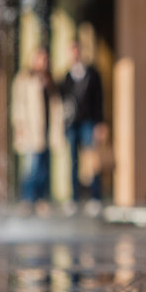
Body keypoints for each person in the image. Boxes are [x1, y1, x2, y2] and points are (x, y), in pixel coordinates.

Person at [60, 39, 104, 212]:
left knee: (92, 160)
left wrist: (100, 123)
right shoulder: (65, 77)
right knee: (73, 161)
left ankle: (95, 196)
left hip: (89, 122)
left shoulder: (92, 74)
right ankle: (74, 198)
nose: (75, 54)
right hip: (72, 124)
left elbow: (99, 100)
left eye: (76, 50)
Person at [11, 46, 53, 213]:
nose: (44, 62)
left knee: (43, 166)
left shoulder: (48, 80)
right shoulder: (24, 78)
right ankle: (27, 199)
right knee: (31, 166)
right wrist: (20, 125)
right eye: (41, 58)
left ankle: (40, 199)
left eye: (46, 59)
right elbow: (18, 104)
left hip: (46, 129)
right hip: (30, 129)